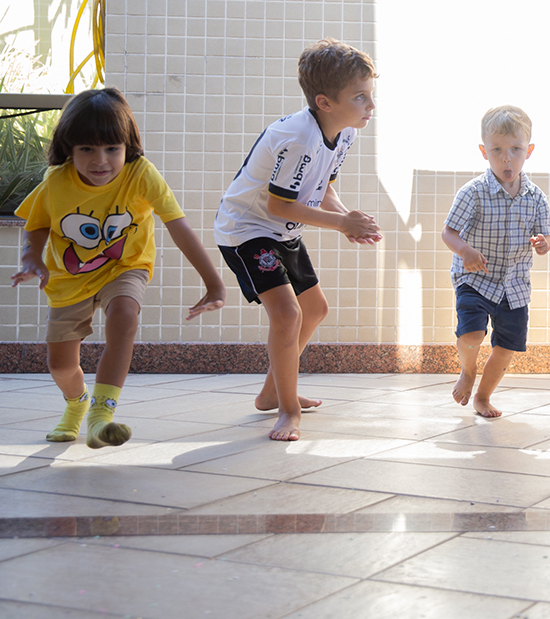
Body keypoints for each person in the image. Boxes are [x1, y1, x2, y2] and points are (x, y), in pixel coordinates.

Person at [12, 88, 226, 448]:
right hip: (69, 278)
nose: (101, 161)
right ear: (69, 148)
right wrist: (30, 258)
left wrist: (214, 283)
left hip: (125, 266)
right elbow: (36, 224)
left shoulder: (141, 174)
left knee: (125, 314)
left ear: (128, 145)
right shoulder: (57, 181)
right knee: (61, 366)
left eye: (112, 148)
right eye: (87, 149)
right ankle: (76, 403)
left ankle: (101, 414)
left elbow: (179, 226)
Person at [214, 38, 381, 441]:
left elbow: (323, 189)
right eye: (360, 98)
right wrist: (343, 225)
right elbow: (280, 206)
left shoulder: (344, 134)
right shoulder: (299, 138)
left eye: (371, 96)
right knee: (287, 314)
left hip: (279, 230)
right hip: (247, 231)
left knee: (316, 308)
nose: (370, 107)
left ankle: (273, 391)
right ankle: (287, 410)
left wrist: (347, 217)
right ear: (325, 102)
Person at [442, 105, 550, 418]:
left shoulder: (536, 197)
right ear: (484, 151)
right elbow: (448, 232)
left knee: (507, 347)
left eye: (515, 149)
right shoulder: (474, 193)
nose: (507, 158)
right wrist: (464, 250)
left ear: (528, 151)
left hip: (515, 285)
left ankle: (483, 396)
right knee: (472, 334)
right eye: (497, 150)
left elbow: (545, 235)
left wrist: (543, 243)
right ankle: (468, 369)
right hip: (475, 279)